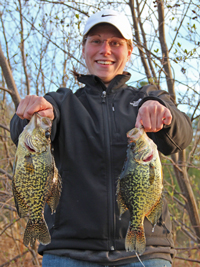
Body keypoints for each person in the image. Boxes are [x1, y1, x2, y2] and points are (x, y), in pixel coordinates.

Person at [10, 9, 193, 267]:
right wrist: (30, 113)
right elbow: (19, 134)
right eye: (96, 41)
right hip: (69, 252)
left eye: (115, 43)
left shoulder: (148, 97)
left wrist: (163, 115)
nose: (105, 50)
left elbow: (183, 136)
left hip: (146, 253)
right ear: (84, 48)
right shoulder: (62, 102)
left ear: (129, 52)